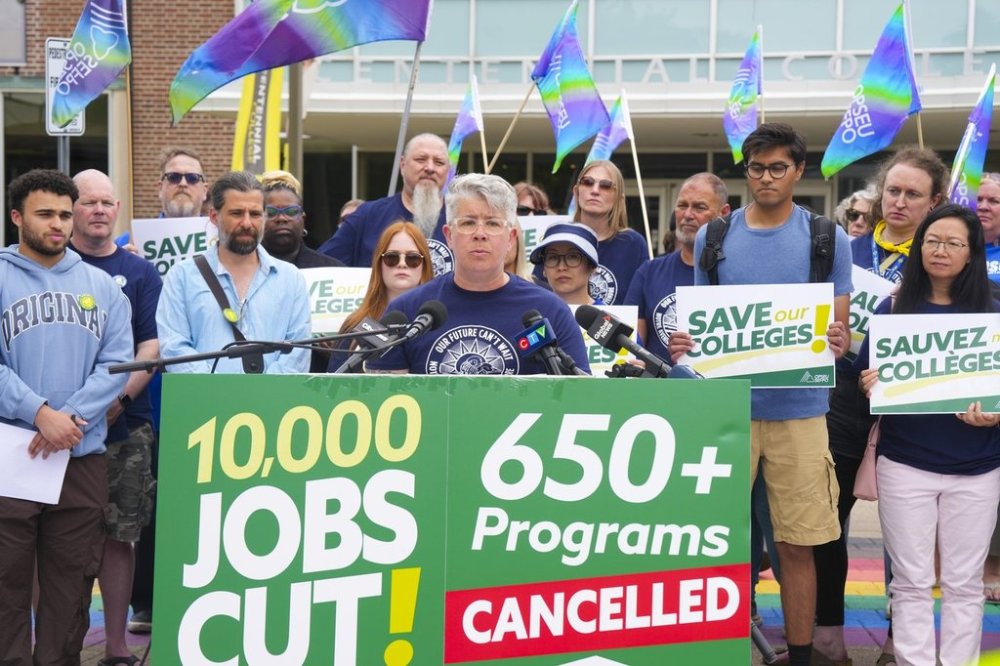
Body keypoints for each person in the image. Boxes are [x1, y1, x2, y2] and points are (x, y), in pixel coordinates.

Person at [668, 123, 852, 666]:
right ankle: (713, 650)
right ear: (745, 172)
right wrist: (686, 343)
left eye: (777, 167)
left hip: (800, 412)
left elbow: (836, 332)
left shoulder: (826, 237)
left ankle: (798, 656)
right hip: (727, 412)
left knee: (798, 545)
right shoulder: (715, 237)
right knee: (716, 544)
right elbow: (703, 329)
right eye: (755, 167)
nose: (765, 177)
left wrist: (838, 339)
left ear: (798, 171)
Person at [814, 146, 948, 666]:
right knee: (829, 520)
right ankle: (828, 637)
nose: (898, 201)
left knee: (907, 535)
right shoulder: (846, 251)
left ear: (934, 201)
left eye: (913, 194)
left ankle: (901, 640)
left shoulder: (942, 258)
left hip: (911, 406)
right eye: (892, 190)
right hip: (843, 398)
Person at [856, 204, 1000, 666]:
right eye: (933, 241)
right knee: (911, 582)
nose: (941, 251)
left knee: (965, 582)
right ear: (919, 248)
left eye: (954, 243)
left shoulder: (993, 312)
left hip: (977, 467)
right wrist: (869, 383)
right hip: (905, 464)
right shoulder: (893, 307)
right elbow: (866, 378)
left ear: (971, 254)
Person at [0, 169, 133, 664]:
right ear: (17, 217)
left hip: (81, 452)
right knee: (7, 577)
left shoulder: (99, 284)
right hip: (11, 451)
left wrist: (69, 417)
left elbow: (118, 362)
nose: (57, 224)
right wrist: (37, 412)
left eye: (63, 213)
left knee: (71, 581)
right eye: (45, 214)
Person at [70, 169, 161, 665]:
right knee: (59, 534)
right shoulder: (51, 266)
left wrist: (116, 402)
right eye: (89, 202)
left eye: (108, 202)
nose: (100, 211)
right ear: (72, 208)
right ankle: (61, 639)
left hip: (126, 424)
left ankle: (118, 645)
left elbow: (151, 345)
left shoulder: (142, 272)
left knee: (121, 535)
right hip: (56, 428)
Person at [367, 173, 590, 376]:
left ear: (511, 238)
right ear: (449, 236)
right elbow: (385, 399)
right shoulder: (406, 312)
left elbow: (579, 401)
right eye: (468, 223)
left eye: (493, 223)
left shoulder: (550, 311)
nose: (480, 234)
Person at [126, 145, 213, 635]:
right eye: (173, 176)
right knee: (151, 504)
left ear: (204, 190)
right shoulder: (130, 244)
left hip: (203, 392)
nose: (182, 184)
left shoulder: (222, 242)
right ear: (159, 186)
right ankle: (147, 602)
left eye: (192, 178)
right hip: (147, 399)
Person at [156, 170, 311, 374]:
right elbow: (174, 347)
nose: (247, 223)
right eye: (236, 213)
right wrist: (225, 394)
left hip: (273, 403)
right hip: (204, 403)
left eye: (255, 214)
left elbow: (298, 353)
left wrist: (262, 395)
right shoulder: (181, 277)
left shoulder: (291, 279)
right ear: (214, 216)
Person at [624, 172, 730, 361]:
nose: (687, 215)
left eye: (699, 207)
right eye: (682, 206)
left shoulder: (735, 273)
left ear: (724, 213)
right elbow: (632, 349)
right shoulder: (648, 272)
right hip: (658, 388)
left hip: (720, 388)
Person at [319, 134, 453, 275]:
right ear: (402, 165)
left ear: (448, 171)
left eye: (439, 162)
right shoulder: (367, 216)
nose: (430, 168)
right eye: (421, 159)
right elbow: (322, 267)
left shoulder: (462, 220)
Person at [535, 160, 648, 305]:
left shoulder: (633, 243)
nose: (595, 190)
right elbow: (538, 293)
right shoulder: (557, 239)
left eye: (605, 185)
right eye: (587, 182)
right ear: (576, 191)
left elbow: (641, 302)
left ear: (619, 199)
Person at [328, 221, 433, 372]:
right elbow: (331, 386)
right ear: (379, 264)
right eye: (392, 258)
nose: (402, 264)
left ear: (424, 266)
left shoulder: (437, 325)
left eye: (412, 258)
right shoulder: (354, 325)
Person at [261, 170, 344, 269]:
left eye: (291, 212)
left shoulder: (332, 270)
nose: (281, 218)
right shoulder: (242, 270)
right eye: (271, 212)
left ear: (303, 219)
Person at [529, 223, 600, 305]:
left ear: (591, 266)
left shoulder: (609, 316)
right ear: (544, 268)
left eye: (573, 257)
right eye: (553, 258)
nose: (561, 267)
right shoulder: (530, 315)